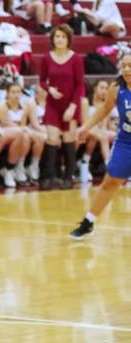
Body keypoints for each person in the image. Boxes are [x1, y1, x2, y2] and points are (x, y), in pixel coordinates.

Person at [70, 53, 131, 240]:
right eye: (124, 66)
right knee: (110, 181)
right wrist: (86, 127)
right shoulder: (117, 87)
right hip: (126, 142)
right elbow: (104, 109)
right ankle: (88, 222)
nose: (127, 70)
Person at [37, 24, 84, 190]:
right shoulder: (46, 58)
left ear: (68, 39)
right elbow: (42, 80)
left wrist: (73, 106)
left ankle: (68, 176)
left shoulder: (76, 58)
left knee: (68, 139)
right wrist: (49, 89)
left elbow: (80, 86)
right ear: (52, 38)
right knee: (52, 138)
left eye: (63, 37)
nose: (60, 39)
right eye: (57, 36)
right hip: (53, 104)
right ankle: (48, 175)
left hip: (71, 104)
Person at [78, 79, 114, 183]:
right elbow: (85, 123)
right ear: (95, 88)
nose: (104, 91)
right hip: (84, 130)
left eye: (106, 88)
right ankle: (110, 169)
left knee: (118, 136)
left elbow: (103, 126)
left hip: (98, 132)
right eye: (101, 87)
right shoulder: (86, 102)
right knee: (101, 136)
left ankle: (84, 162)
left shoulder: (106, 104)